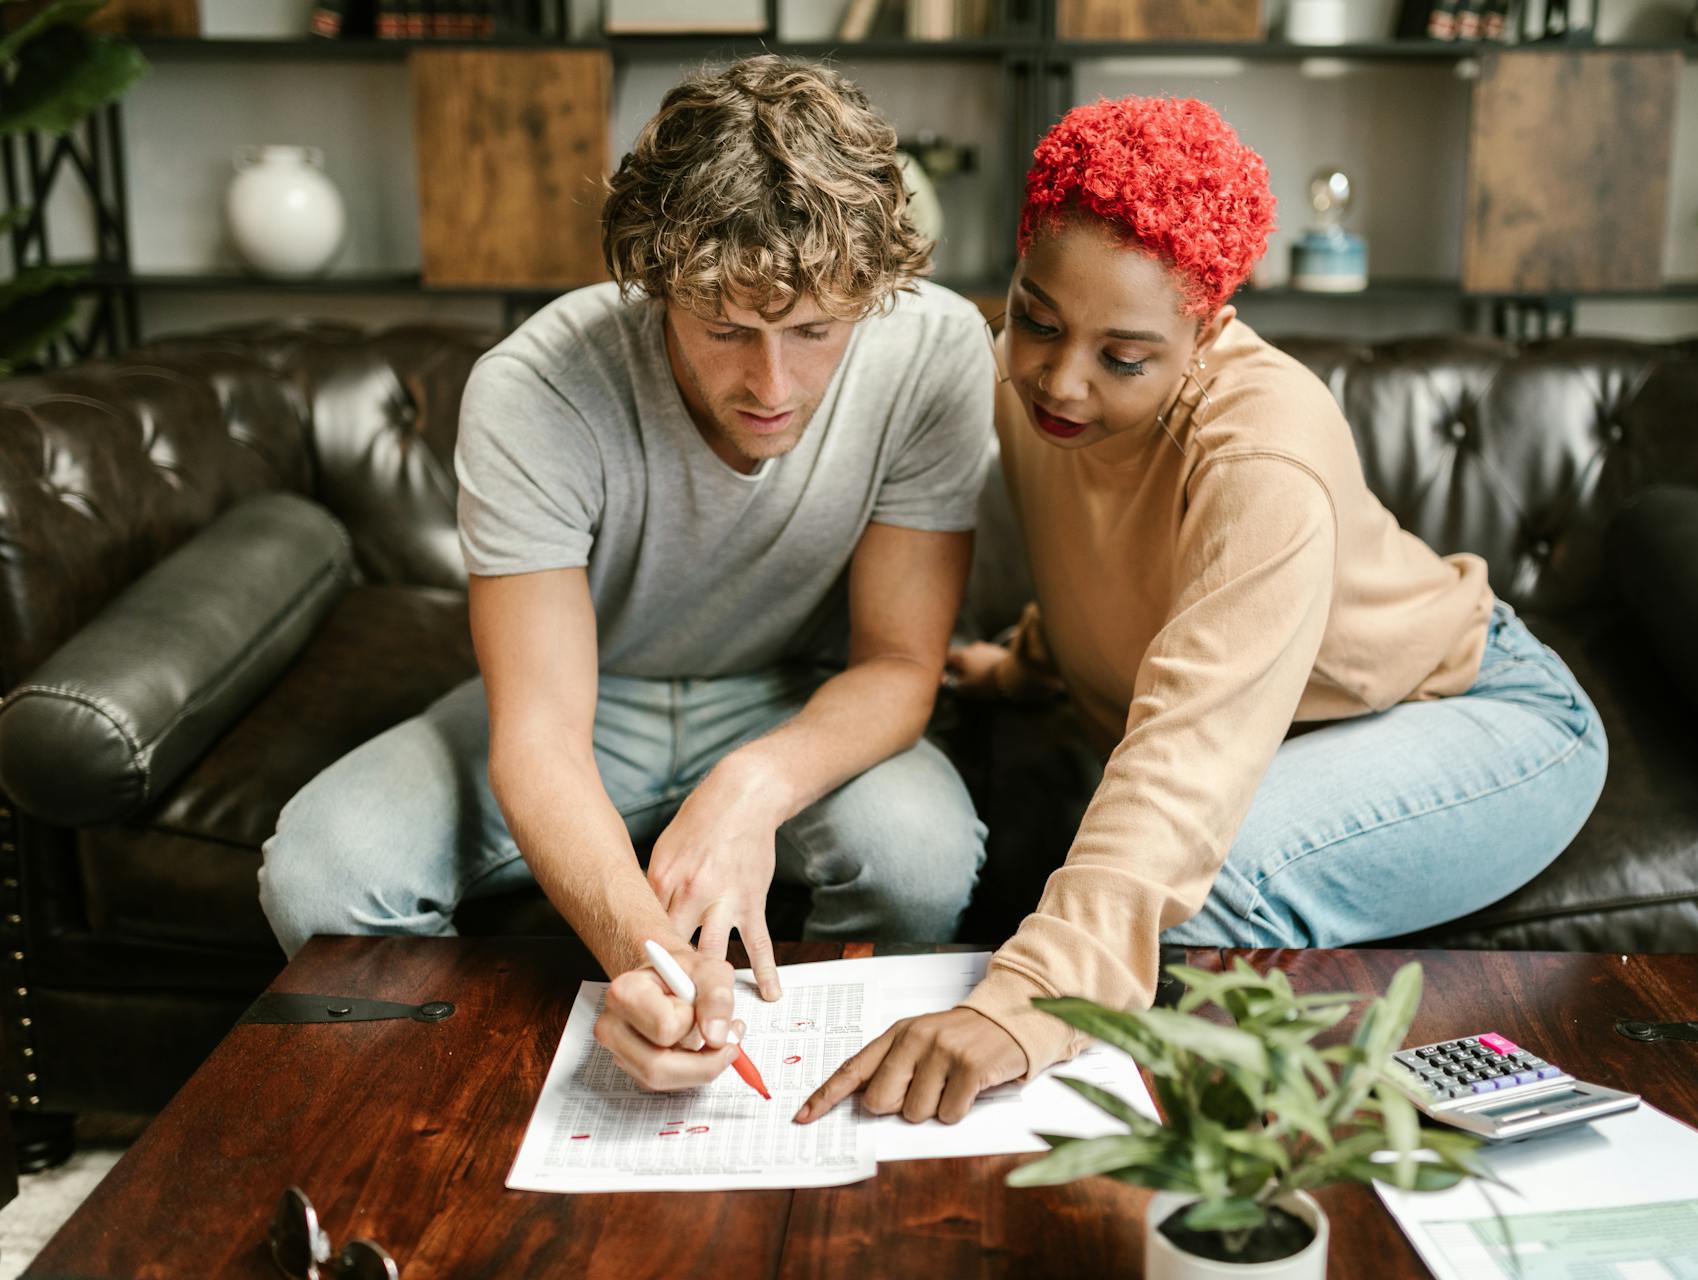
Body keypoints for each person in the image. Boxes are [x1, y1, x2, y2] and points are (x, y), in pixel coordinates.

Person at [796, 96, 1608, 1127]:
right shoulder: (1017, 381)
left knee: (1199, 887)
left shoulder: (1264, 440)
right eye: (1037, 317)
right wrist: (1025, 665)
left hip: (1474, 715)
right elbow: (1131, 581)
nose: (1061, 379)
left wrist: (1027, 1003)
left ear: (1207, 327)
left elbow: (1192, 747)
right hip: (1276, 733)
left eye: (1124, 357)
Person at [259, 55, 995, 1095]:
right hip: (590, 698)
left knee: (919, 855)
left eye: (815, 332)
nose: (773, 384)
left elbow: (899, 666)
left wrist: (749, 786)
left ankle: (810, 1089)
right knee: (323, 871)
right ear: (654, 284)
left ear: (872, 294)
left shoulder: (938, 349)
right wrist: (647, 960)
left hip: (800, 693)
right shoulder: (534, 386)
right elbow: (541, 734)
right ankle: (448, 1124)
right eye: (728, 330)